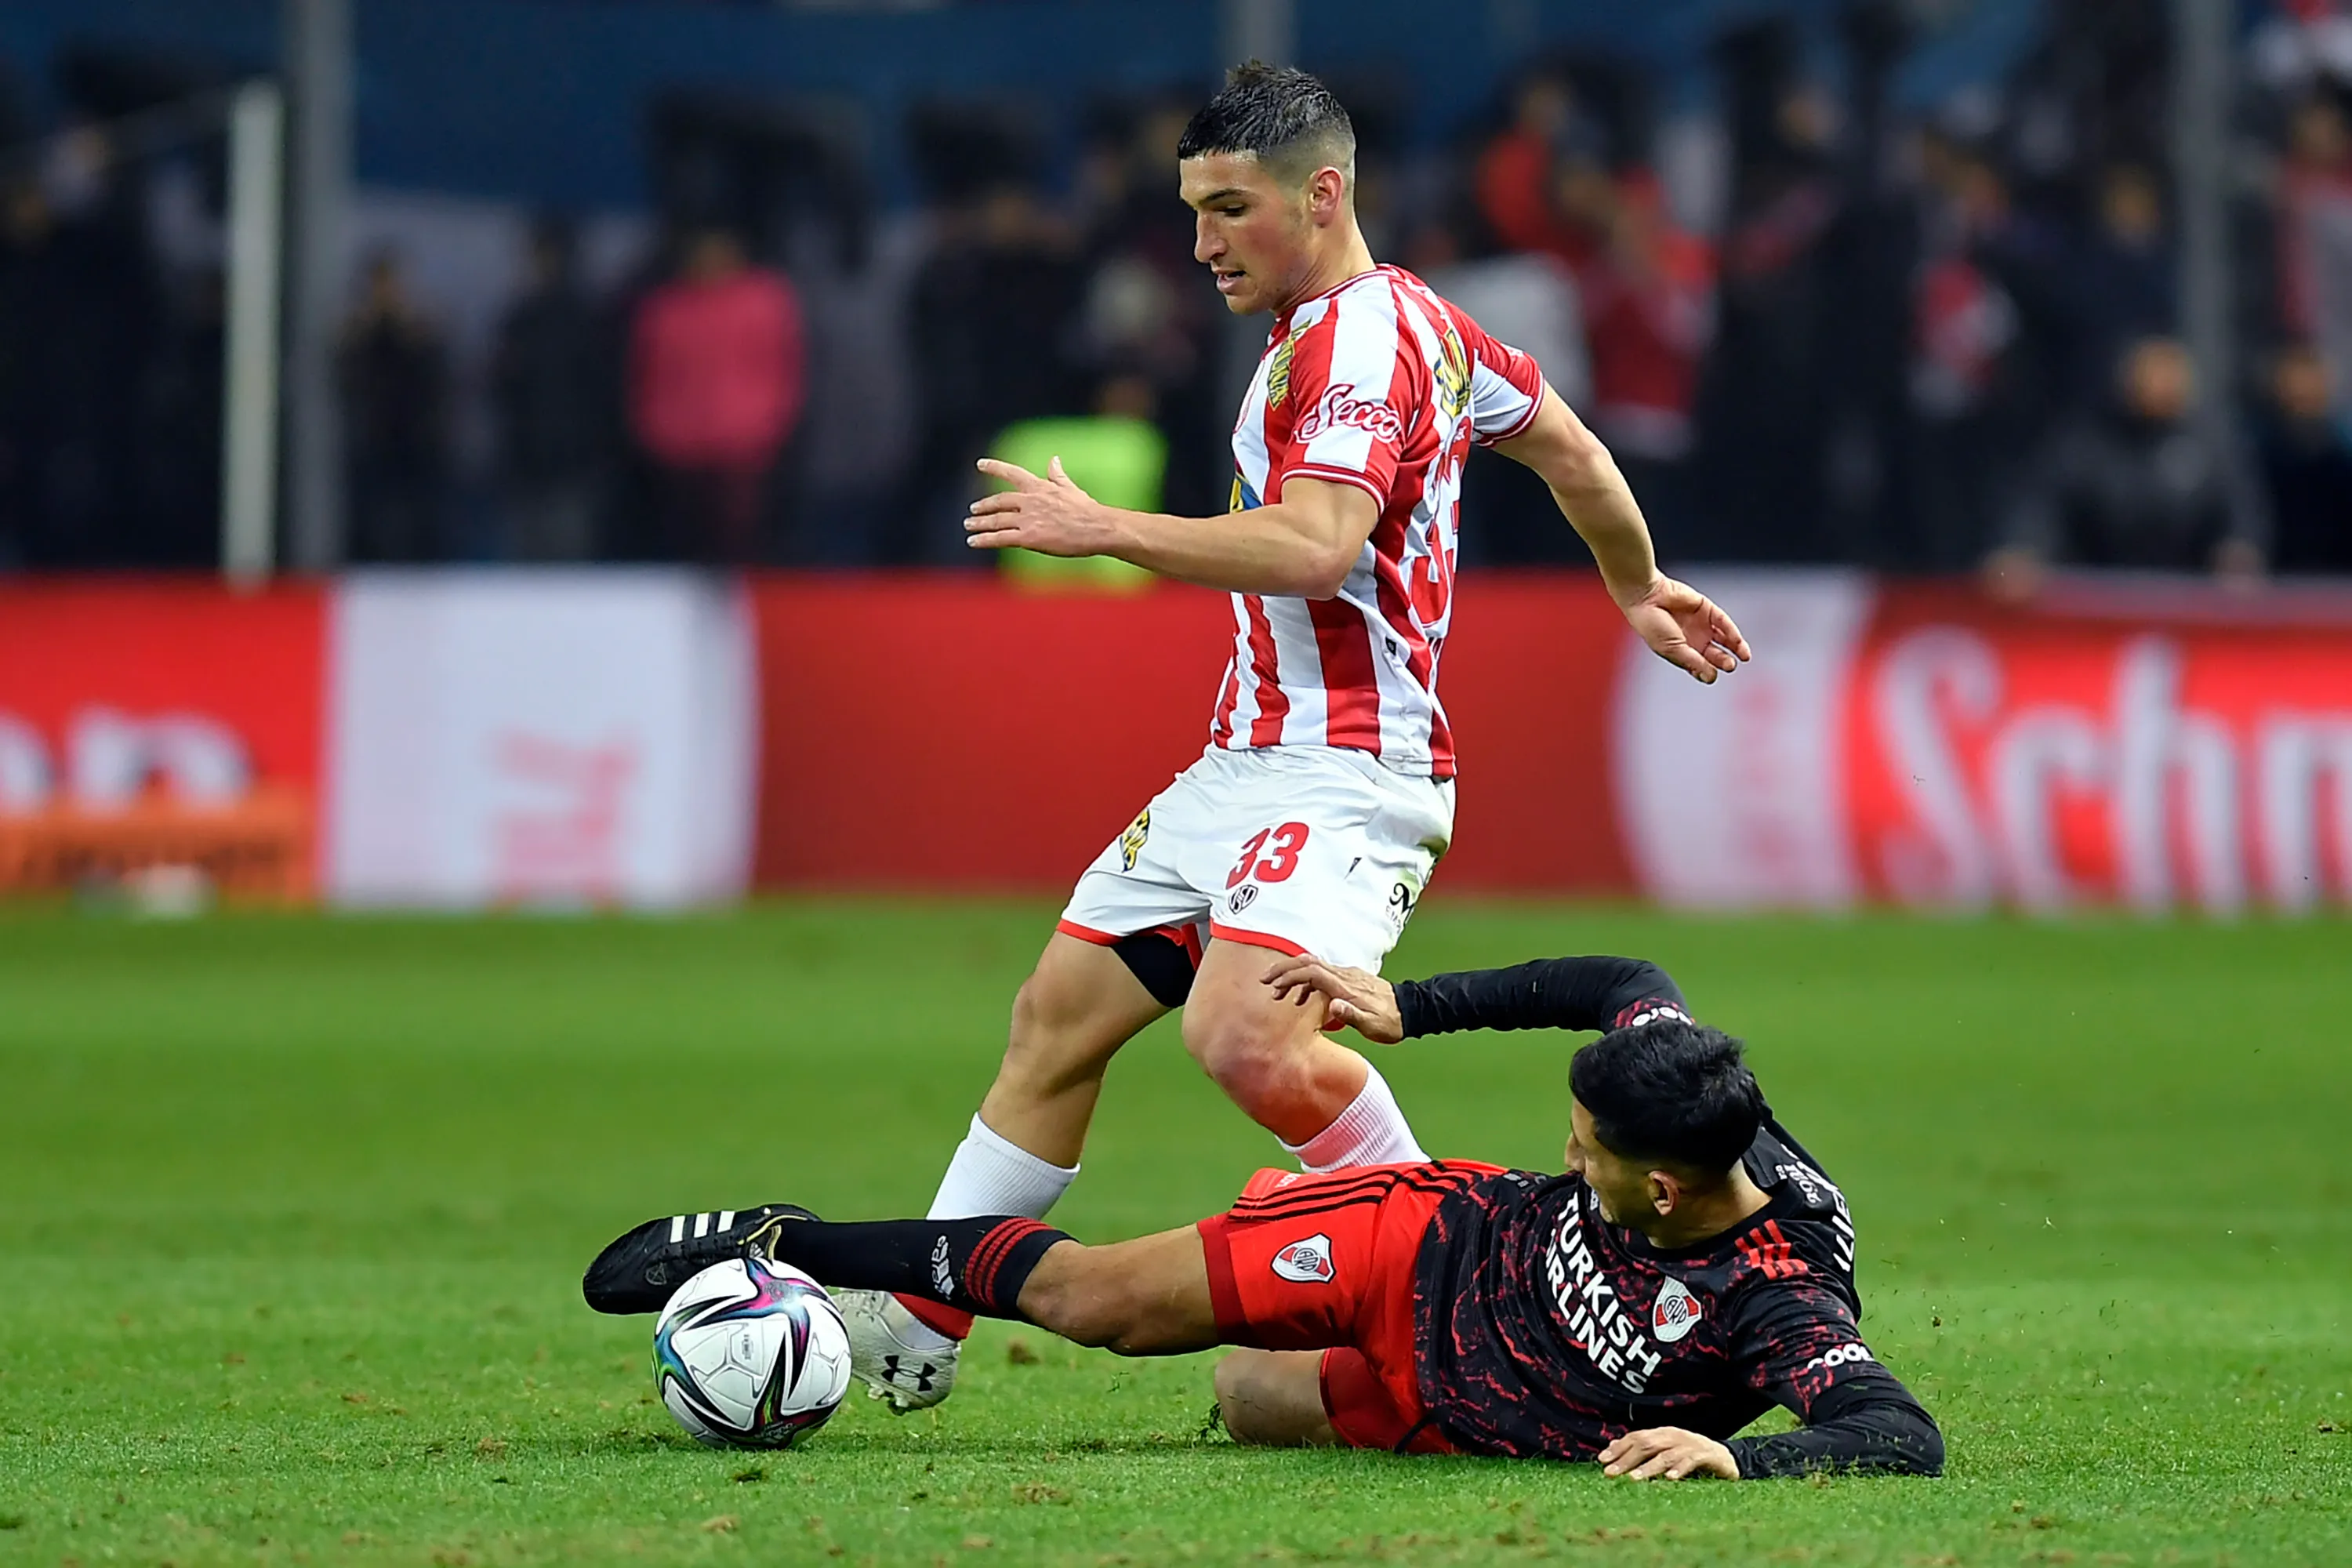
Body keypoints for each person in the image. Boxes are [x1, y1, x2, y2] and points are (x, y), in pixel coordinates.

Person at [806, 61, 1750, 1415]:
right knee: (1055, 1025)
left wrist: (1109, 531)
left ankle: (1464, 1285)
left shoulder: (1366, 341)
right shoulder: (1410, 328)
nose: (1201, 244)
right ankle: (921, 1326)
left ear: (1323, 195)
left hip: (1352, 772)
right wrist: (1636, 581)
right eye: (1193, 210)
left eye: (1230, 210)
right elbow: (1573, 453)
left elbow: (1318, 549)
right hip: (1237, 769)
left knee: (1245, 1038)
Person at [583, 953, 1941, 1479]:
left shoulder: (1779, 1294)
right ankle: (778, 1239)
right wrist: (1419, 1006)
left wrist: (1733, 1463)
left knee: (1245, 1401)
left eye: (1584, 1154)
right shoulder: (1700, 1091)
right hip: (1425, 1245)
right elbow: (1628, 977)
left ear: (1665, 1187)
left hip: (1457, 1414)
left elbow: (1896, 1435)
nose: (1565, 1152)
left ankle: (1273, 1259)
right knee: (1099, 1306)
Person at [628, 227, 803, 564]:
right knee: (686, 543)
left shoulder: (762, 301)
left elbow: (782, 367)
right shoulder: (666, 310)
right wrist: (656, 431)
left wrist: (770, 423)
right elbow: (650, 377)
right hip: (679, 450)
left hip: (745, 446)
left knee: (743, 540)